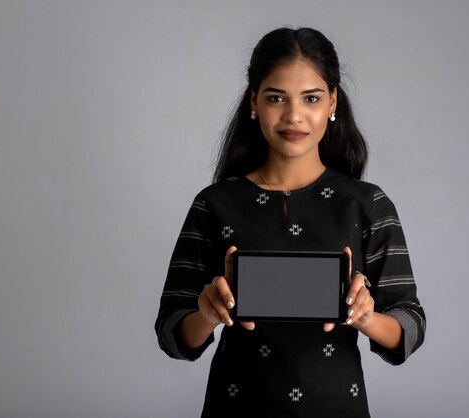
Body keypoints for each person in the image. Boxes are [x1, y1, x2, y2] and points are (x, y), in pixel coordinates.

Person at [155, 27, 425, 417]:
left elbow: (409, 325)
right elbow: (172, 332)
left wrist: (367, 319)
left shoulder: (366, 204)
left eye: (311, 98)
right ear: (254, 102)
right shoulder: (214, 204)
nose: (293, 115)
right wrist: (207, 315)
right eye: (276, 98)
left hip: (337, 408)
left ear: (332, 102)